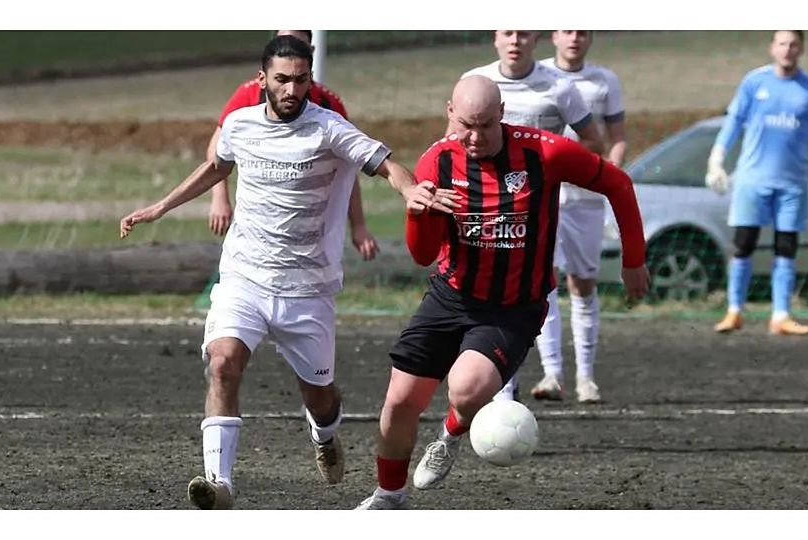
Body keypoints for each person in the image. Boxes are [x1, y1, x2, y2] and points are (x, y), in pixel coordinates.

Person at [119, 35, 454, 510]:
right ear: (262, 80)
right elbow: (216, 167)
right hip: (244, 278)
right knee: (222, 363)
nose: (292, 89)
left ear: (310, 80)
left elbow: (386, 165)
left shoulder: (329, 128)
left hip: (307, 290)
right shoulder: (239, 125)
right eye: (282, 79)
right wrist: (159, 207)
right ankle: (219, 484)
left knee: (320, 398)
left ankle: (325, 434)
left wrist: (409, 191)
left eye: (300, 80)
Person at [354, 75, 649, 510]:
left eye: (486, 126)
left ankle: (450, 433)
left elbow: (617, 183)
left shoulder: (544, 152)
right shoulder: (437, 161)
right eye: (466, 126)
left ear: (502, 115)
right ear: (450, 113)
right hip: (451, 296)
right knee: (399, 401)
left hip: (513, 307)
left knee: (465, 389)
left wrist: (633, 260)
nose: (474, 138)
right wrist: (417, 214)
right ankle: (388, 497)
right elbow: (422, 256)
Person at [459, 30, 606, 403]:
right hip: (490, 211)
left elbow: (593, 141)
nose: (515, 41)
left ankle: (578, 376)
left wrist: (550, 166)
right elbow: (452, 144)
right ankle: (510, 386)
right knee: (502, 292)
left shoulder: (559, 86)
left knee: (553, 285)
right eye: (508, 32)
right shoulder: (475, 83)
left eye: (523, 33)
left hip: (543, 210)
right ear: (495, 38)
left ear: (536, 39)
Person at [707, 30, 808, 336]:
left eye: (793, 44)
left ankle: (781, 315)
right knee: (743, 244)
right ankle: (734, 310)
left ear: (801, 49)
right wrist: (716, 159)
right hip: (752, 180)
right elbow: (733, 122)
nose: (787, 49)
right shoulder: (754, 82)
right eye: (782, 43)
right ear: (772, 48)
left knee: (786, 246)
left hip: (792, 184)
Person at [205, 30, 378, 261]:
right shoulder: (249, 95)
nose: (290, 49)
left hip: (308, 235)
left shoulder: (328, 106)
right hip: (254, 241)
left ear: (311, 52)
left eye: (298, 44)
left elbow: (349, 164)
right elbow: (218, 150)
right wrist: (219, 198)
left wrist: (359, 225)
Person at [530, 30, 628, 403]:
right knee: (544, 281)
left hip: (585, 197)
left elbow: (617, 138)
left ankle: (586, 378)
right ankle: (552, 373)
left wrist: (608, 174)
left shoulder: (605, 80)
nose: (574, 38)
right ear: (553, 35)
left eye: (582, 31)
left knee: (582, 282)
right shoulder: (539, 77)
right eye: (567, 30)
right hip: (544, 195)